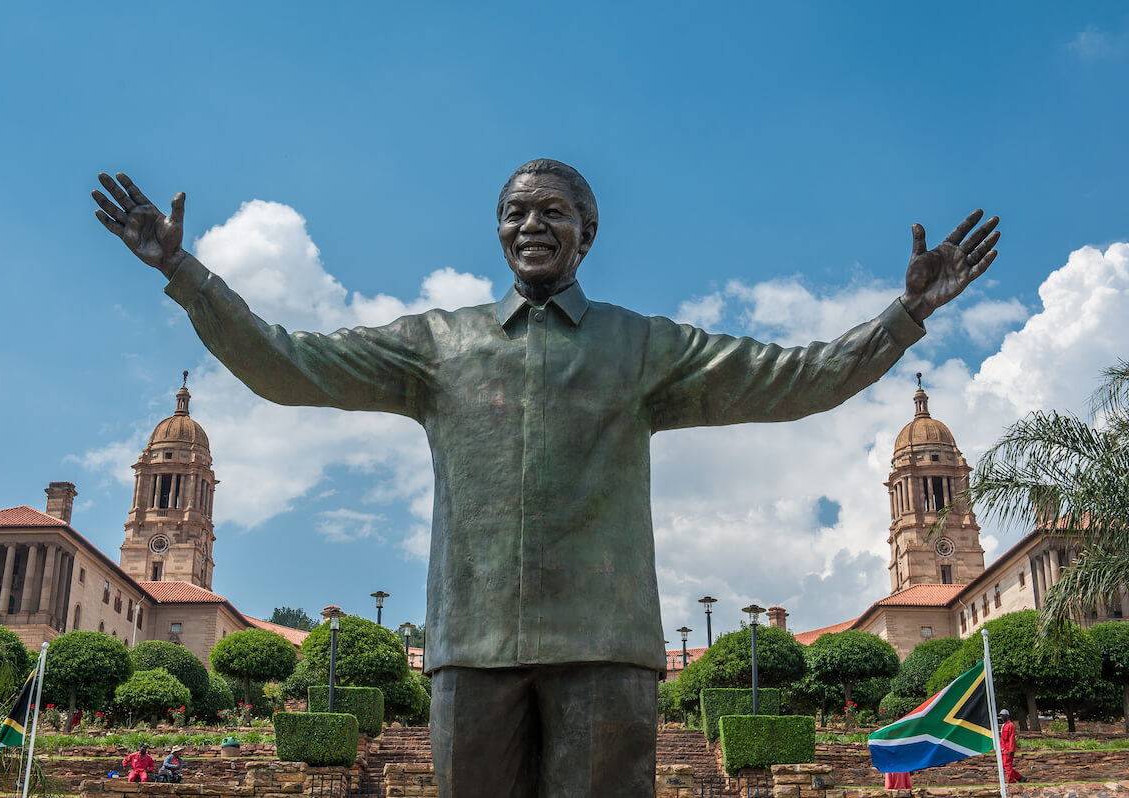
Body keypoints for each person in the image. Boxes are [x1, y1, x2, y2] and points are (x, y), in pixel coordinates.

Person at [93, 160, 998, 798]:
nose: (532, 225)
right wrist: (183, 271)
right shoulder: (437, 347)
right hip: (472, 644)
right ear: (497, 231)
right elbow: (285, 365)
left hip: (605, 646)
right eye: (516, 212)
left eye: (553, 211)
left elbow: (793, 379)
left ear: (587, 233)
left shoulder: (640, 347)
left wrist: (905, 312)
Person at [999, 709, 1023, 784]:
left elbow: (1011, 738)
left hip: (1008, 749)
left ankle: (1011, 781)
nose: (1001, 717)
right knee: (1004, 766)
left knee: (1007, 766)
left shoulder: (1010, 725)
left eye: (1003, 716)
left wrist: (1011, 750)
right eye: (1001, 715)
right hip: (1003, 749)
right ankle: (1019, 777)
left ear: (1007, 716)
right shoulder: (1004, 725)